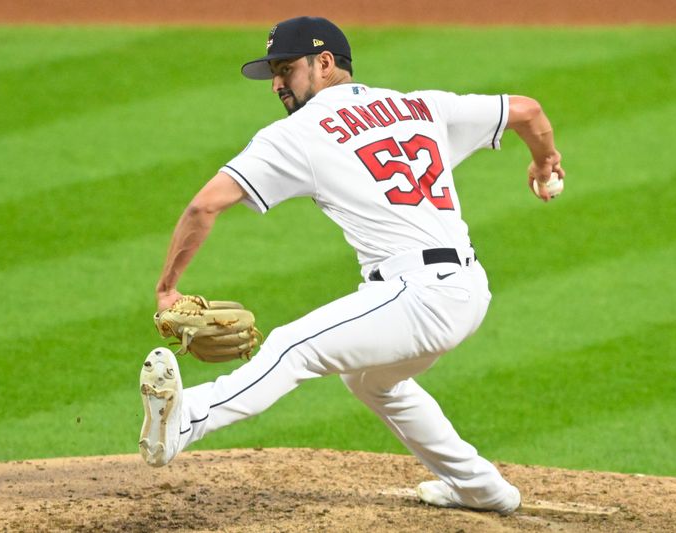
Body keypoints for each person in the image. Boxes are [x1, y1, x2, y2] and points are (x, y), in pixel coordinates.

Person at [139, 16, 564, 515]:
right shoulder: (421, 105)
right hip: (465, 289)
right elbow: (526, 111)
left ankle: (185, 419)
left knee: (292, 346)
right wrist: (544, 161)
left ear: (324, 63)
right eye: (272, 72)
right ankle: (481, 488)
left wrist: (168, 287)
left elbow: (203, 206)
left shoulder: (297, 134)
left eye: (285, 69)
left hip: (419, 296)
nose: (276, 83)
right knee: (371, 380)